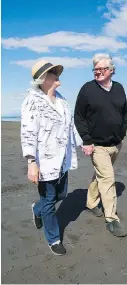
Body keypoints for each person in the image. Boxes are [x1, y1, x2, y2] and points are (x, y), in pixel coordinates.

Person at [21, 60, 82, 255]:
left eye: (56, 71)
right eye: (52, 72)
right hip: (44, 160)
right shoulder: (32, 100)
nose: (57, 75)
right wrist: (31, 162)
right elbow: (28, 132)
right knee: (48, 199)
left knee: (61, 195)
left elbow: (70, 125)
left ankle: (36, 210)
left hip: (62, 158)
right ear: (42, 79)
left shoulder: (62, 99)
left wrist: (83, 143)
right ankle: (54, 239)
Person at [74, 53, 127, 237]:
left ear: (111, 70)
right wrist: (87, 141)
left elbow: (124, 113)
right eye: (95, 69)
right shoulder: (87, 89)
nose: (97, 72)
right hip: (97, 145)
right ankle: (111, 219)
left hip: (115, 144)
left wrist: (122, 134)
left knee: (101, 176)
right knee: (107, 179)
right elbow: (79, 117)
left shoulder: (119, 88)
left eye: (101, 69)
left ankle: (90, 203)